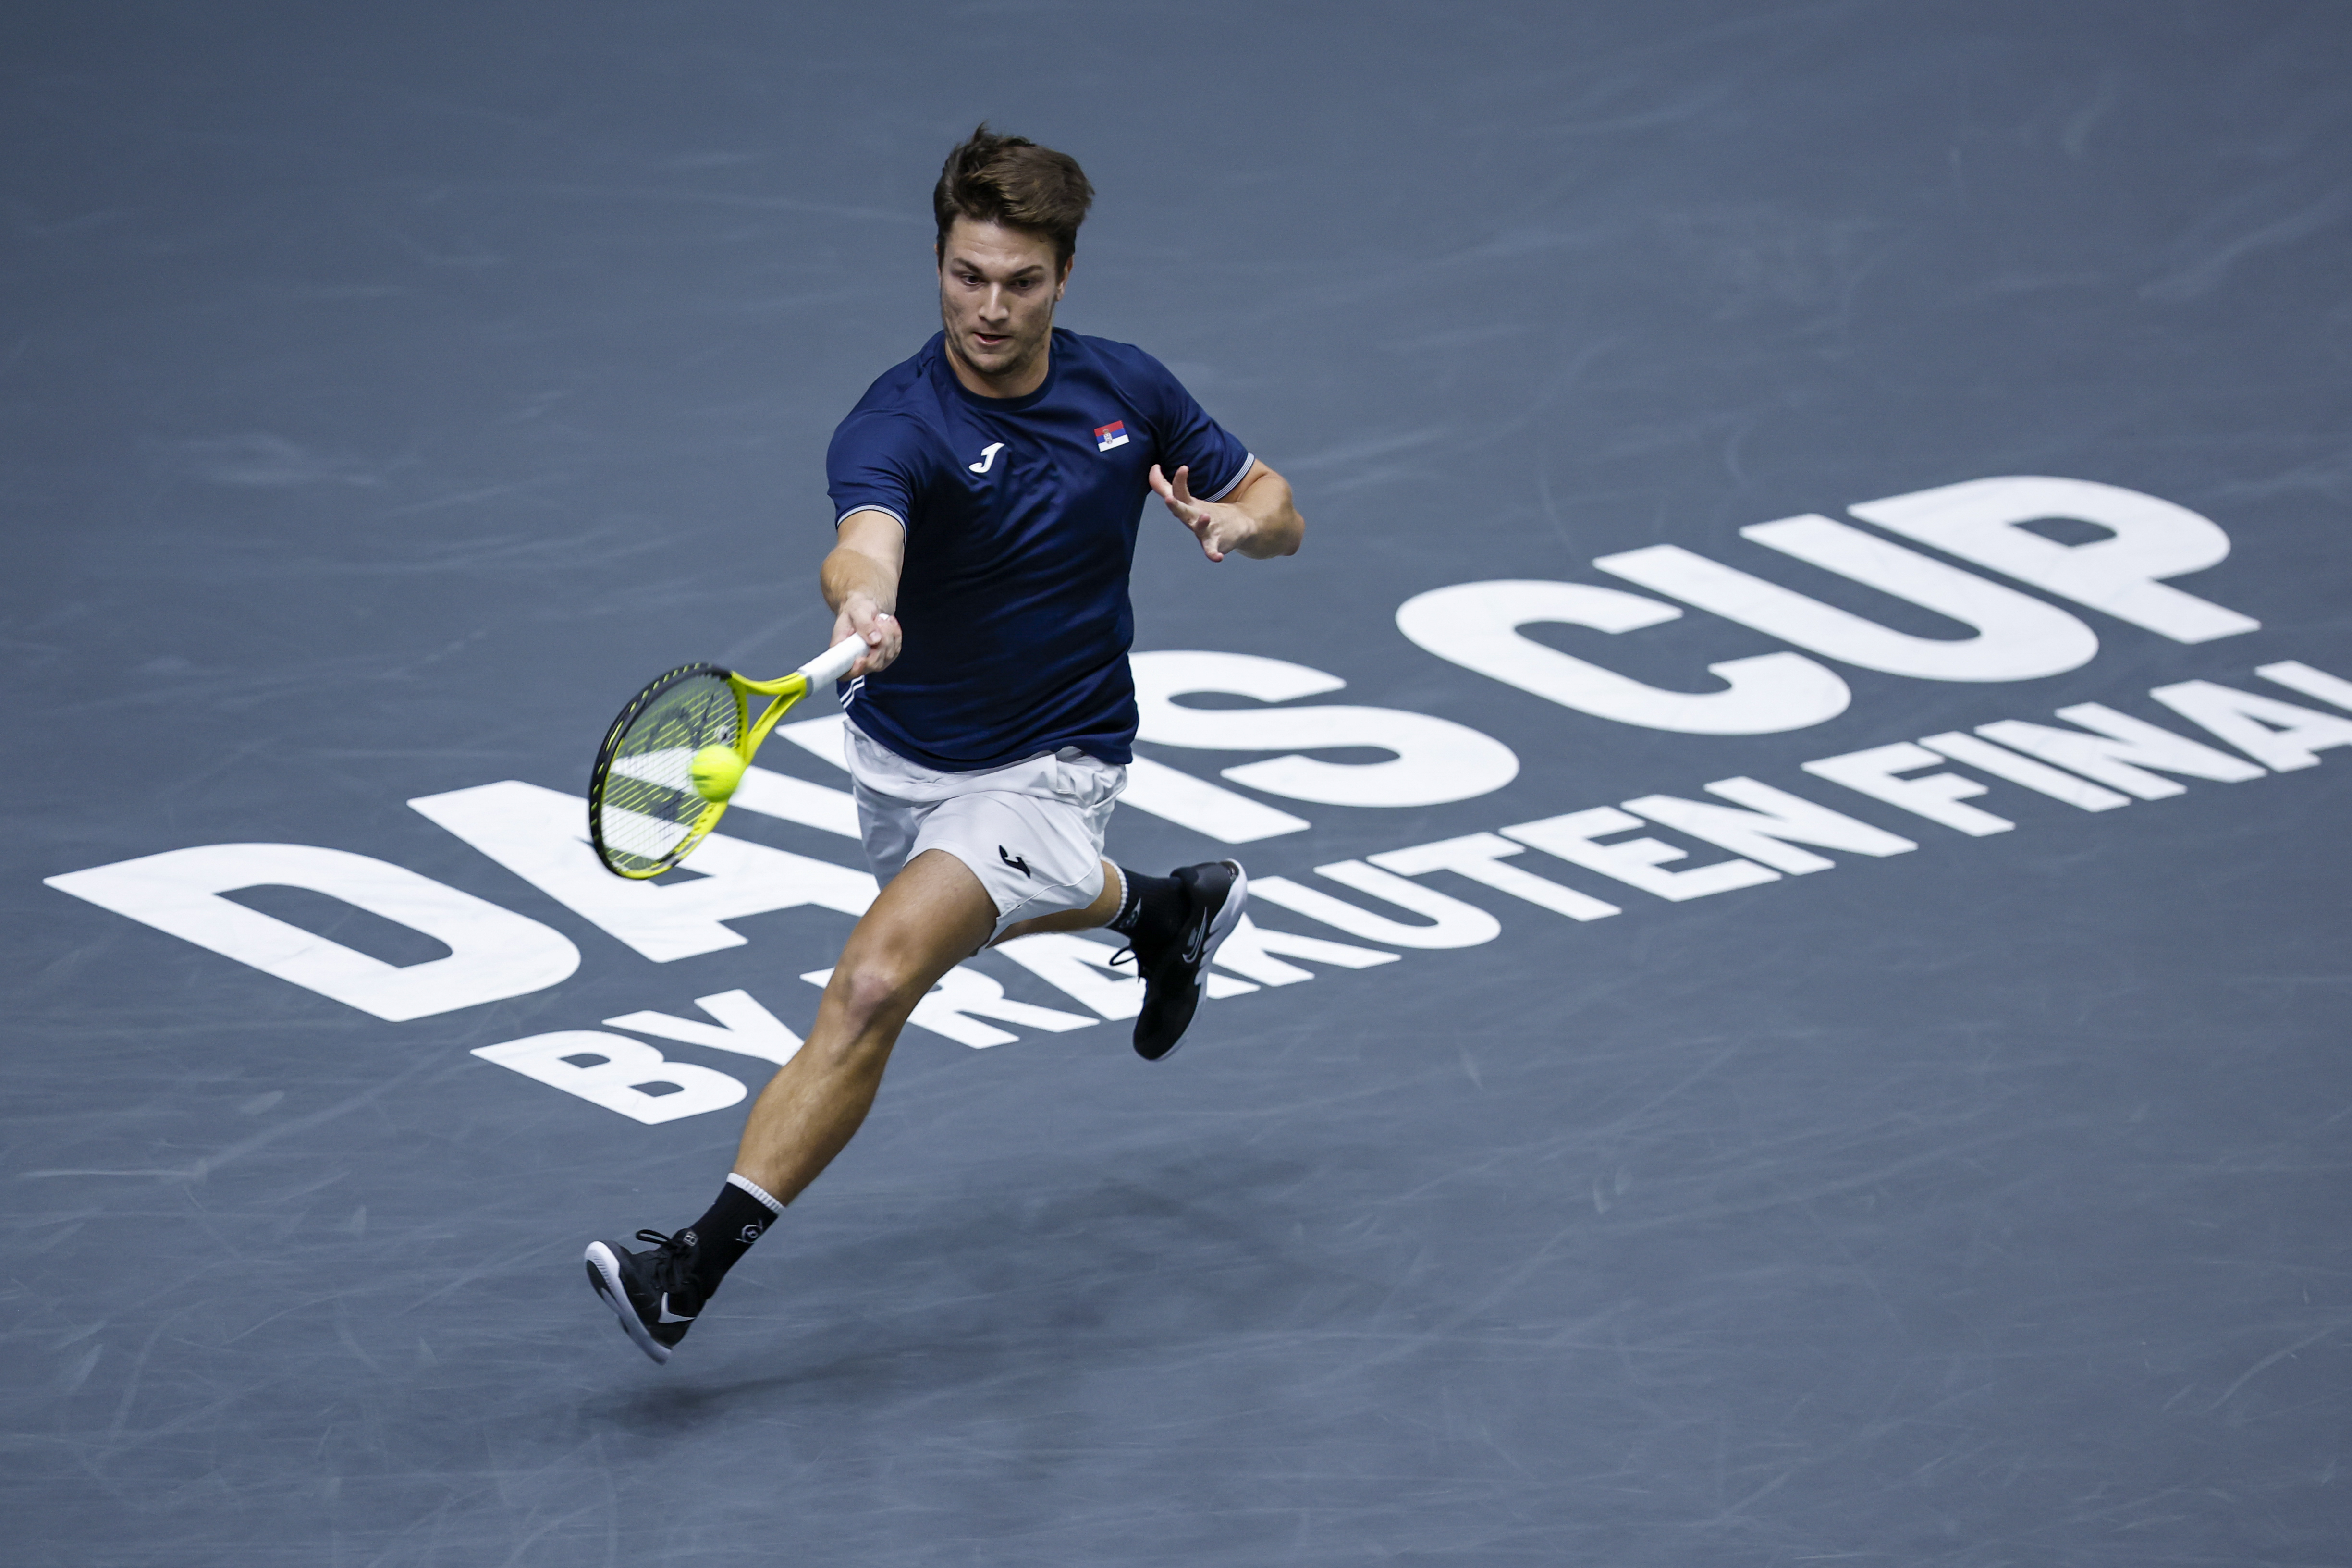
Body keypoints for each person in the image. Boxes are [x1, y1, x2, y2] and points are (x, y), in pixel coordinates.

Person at [586, 126, 1305, 1364]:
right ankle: (1166, 914)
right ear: (938, 262)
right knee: (958, 910)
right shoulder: (895, 421)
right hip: (905, 763)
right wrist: (860, 599)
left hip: (1057, 759)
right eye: (967, 275)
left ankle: (687, 1272)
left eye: (1020, 282)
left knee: (875, 981)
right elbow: (864, 538)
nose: (990, 306)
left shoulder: (1126, 391)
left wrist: (1234, 525)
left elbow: (1284, 506)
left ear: (1064, 278)